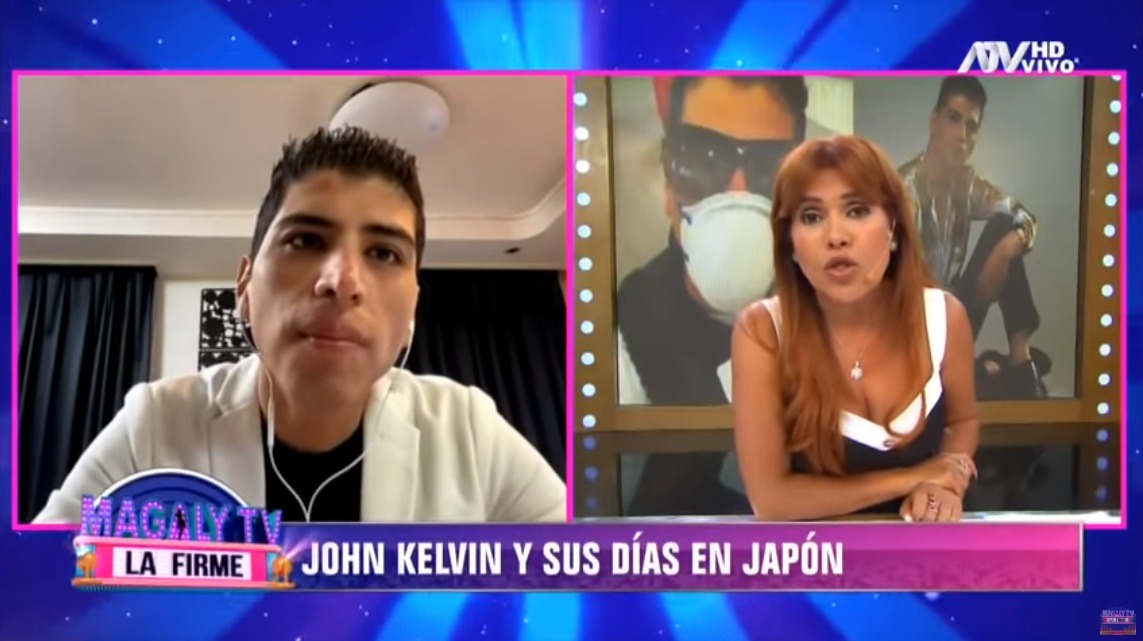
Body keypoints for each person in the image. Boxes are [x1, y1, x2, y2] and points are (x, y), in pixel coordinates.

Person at [34, 127, 566, 524]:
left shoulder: (469, 431)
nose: (342, 281)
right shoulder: (154, 426)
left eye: (384, 253)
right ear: (244, 287)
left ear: (412, 312)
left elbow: (593, 585)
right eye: (305, 240)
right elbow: (37, 592)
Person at [732, 135, 979, 521]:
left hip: (926, 552)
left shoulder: (945, 317)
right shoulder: (762, 331)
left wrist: (944, 485)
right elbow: (772, 500)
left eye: (857, 210)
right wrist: (910, 478)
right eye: (811, 217)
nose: (836, 237)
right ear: (790, 244)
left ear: (893, 227)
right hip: (814, 556)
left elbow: (962, 421)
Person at [617, 76, 809, 516]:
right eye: (701, 161)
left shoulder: (831, 329)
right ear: (669, 190)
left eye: (769, 169)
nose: (737, 194)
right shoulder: (616, 350)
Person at [898, 76, 1048, 400]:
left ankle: (1021, 363)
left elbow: (1025, 218)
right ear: (934, 123)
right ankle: (978, 372)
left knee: (1004, 227)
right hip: (908, 332)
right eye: (954, 119)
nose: (962, 135)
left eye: (971, 126)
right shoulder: (901, 189)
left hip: (952, 317)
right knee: (978, 381)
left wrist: (1006, 250)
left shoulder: (968, 186)